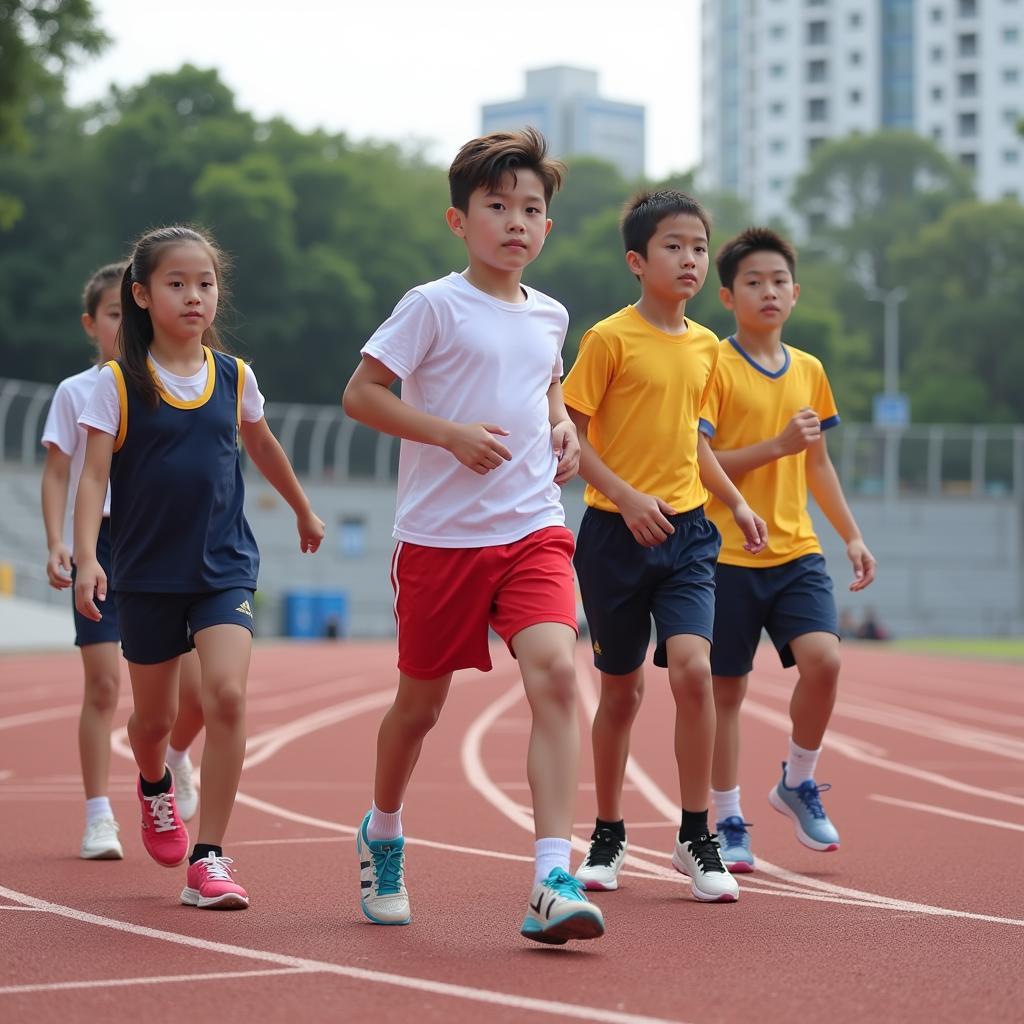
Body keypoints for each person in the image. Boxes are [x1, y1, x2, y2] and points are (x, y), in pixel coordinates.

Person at [342, 128, 605, 945]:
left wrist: (561, 426)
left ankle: (550, 879)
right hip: (440, 540)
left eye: (531, 209)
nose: (515, 222)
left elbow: (545, 386)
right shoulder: (430, 305)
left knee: (559, 675)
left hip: (532, 529)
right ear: (460, 220)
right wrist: (448, 433)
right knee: (419, 708)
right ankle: (383, 830)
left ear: (548, 228)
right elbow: (361, 395)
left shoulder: (553, 315)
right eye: (497, 207)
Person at [73, 226, 324, 909]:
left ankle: (210, 856)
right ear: (143, 295)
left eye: (205, 284)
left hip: (223, 567)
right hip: (146, 574)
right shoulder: (117, 384)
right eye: (177, 284)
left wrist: (303, 510)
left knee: (228, 698)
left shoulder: (235, 376)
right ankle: (154, 783)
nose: (194, 296)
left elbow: (263, 445)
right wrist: (89, 555)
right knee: (150, 723)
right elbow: (94, 476)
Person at [565, 190, 768, 903]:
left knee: (693, 670)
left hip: (687, 535)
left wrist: (736, 503)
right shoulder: (609, 339)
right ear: (637, 260)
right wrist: (623, 496)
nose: (690, 260)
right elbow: (569, 437)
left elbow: (695, 444)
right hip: (614, 535)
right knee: (620, 692)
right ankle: (609, 834)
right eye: (674, 247)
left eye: (699, 248)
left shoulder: (709, 348)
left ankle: (695, 835)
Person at [701, 227, 876, 871]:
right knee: (727, 693)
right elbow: (702, 463)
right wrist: (775, 446)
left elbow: (820, 465)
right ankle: (726, 819)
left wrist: (851, 535)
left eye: (778, 281)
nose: (767, 291)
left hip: (795, 550)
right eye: (753, 282)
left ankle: (797, 780)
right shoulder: (714, 365)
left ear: (795, 293)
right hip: (722, 553)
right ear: (728, 295)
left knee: (825, 663)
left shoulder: (809, 370)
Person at [41, 263, 204, 859]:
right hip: (102, 544)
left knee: (199, 696)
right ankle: (97, 815)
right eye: (111, 315)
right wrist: (60, 543)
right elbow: (61, 471)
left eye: (127, 314)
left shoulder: (169, 380)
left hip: (160, 543)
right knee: (105, 685)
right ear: (92, 324)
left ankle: (177, 757)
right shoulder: (78, 392)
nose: (122, 324)